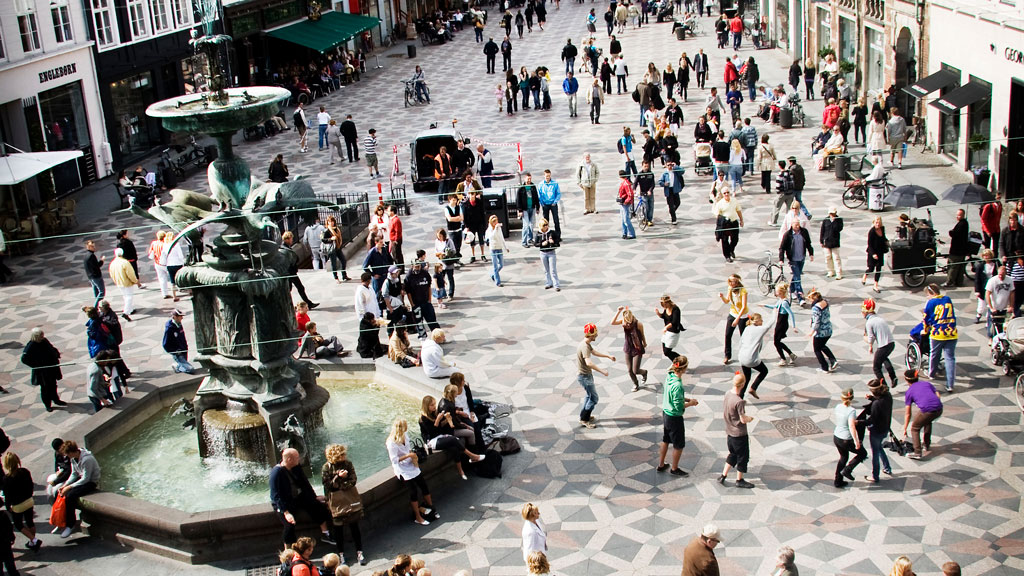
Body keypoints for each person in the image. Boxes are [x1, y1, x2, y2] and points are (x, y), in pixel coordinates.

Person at [270, 447, 333, 547]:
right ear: (289, 459)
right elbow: (275, 496)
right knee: (289, 525)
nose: (299, 459)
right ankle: (287, 551)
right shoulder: (276, 473)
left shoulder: (295, 467)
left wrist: (314, 497)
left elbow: (305, 483)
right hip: (284, 503)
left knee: (317, 506)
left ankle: (325, 533)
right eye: (297, 457)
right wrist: (286, 513)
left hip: (298, 497)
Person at [321, 444, 365, 566]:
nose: (344, 456)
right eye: (342, 454)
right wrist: (339, 477)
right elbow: (328, 486)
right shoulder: (326, 467)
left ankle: (360, 552)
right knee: (338, 530)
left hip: (349, 500)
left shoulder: (348, 464)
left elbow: (353, 480)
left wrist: (341, 484)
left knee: (354, 526)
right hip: (336, 503)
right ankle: (341, 554)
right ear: (335, 456)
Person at [386, 419, 436, 525]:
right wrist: (408, 455)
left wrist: (412, 456)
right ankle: (418, 517)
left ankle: (432, 508)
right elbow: (394, 460)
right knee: (413, 492)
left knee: (424, 486)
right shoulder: (391, 443)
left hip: (411, 464)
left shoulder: (405, 435)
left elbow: (408, 449)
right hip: (402, 468)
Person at [656, 355, 698, 476]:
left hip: (666, 413)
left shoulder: (669, 376)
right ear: (684, 369)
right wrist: (691, 403)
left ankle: (661, 464)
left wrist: (686, 399)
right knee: (678, 445)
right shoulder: (678, 385)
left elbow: (673, 396)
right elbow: (678, 406)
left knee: (666, 439)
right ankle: (674, 468)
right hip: (674, 417)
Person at [55, 440, 100, 538]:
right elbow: (74, 473)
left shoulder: (87, 459)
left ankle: (70, 525)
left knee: (70, 496)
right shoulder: (73, 458)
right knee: (58, 492)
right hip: (81, 479)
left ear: (71, 452)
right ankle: (60, 520)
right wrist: (65, 485)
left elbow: (86, 479)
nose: (66, 456)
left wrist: (69, 487)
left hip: (90, 482)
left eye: (67, 454)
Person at [717, 373, 755, 487]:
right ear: (742, 385)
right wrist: (749, 418)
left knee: (732, 454)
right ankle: (739, 480)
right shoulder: (739, 401)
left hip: (729, 432)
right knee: (743, 457)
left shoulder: (727, 394)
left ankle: (723, 475)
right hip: (739, 434)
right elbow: (743, 419)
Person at [577, 323, 615, 428]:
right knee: (594, 398)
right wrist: (602, 371)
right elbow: (589, 363)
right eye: (595, 334)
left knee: (589, 396)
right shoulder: (585, 346)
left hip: (585, 375)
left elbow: (594, 352)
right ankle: (584, 419)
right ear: (590, 335)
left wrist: (608, 356)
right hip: (584, 376)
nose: (596, 336)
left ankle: (584, 416)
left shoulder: (585, 343)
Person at [19, 328, 65, 412]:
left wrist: (56, 354)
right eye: (40, 336)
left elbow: (51, 348)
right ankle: (47, 405)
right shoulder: (31, 346)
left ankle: (56, 400)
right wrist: (36, 365)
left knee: (53, 385)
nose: (42, 337)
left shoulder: (44, 341)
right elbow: (24, 359)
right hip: (42, 371)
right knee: (45, 389)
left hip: (51, 368)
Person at [923, 284, 958, 392]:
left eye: (927, 295)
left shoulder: (931, 302)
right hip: (951, 332)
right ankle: (950, 384)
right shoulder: (947, 299)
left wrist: (925, 330)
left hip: (938, 333)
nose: (927, 297)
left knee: (934, 354)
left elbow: (926, 318)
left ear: (931, 293)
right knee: (950, 358)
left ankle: (932, 374)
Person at [901, 369, 943, 460]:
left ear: (906, 380)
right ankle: (926, 444)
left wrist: (905, 428)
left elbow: (908, 413)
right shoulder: (926, 384)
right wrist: (935, 403)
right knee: (927, 421)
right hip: (939, 408)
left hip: (927, 410)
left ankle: (917, 452)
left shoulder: (909, 392)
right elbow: (937, 394)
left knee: (915, 428)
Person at [3, 453, 41, 550]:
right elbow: (31, 486)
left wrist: (8, 506)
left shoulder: (7, 479)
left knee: (18, 524)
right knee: (30, 521)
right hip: (29, 501)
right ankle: (32, 542)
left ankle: (34, 540)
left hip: (18, 505)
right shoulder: (25, 471)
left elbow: (7, 496)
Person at [832, 388, 866, 488]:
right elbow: (852, 426)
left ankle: (838, 480)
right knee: (863, 454)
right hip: (846, 439)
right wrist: (856, 441)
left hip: (837, 436)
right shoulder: (851, 411)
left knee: (843, 457)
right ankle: (848, 469)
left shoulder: (838, 407)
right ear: (852, 397)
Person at [860, 299, 898, 388]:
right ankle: (893, 377)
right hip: (891, 343)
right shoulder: (879, 318)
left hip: (883, 346)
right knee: (884, 358)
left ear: (865, 312)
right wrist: (871, 346)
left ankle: (884, 386)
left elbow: (870, 338)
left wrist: (865, 339)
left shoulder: (869, 322)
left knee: (876, 367)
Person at [738, 312, 774, 399]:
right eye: (761, 320)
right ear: (757, 321)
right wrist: (775, 313)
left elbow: (740, 343)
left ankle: (739, 398)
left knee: (747, 377)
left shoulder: (747, 328)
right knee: (764, 371)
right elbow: (769, 325)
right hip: (750, 359)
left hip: (742, 357)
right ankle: (753, 388)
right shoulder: (758, 330)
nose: (762, 322)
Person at [863, 379, 893, 484]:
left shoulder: (876, 404)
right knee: (879, 447)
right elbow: (881, 401)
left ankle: (875, 476)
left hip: (876, 431)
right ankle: (887, 467)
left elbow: (872, 420)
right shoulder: (888, 396)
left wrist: (858, 422)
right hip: (885, 428)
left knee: (875, 453)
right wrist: (872, 398)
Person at [611, 307, 648, 391]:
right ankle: (635, 384)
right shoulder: (623, 322)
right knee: (629, 370)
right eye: (626, 321)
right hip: (628, 347)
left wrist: (644, 343)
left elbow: (642, 334)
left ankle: (644, 372)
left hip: (637, 348)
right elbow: (612, 322)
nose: (628, 323)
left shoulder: (638, 324)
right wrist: (618, 311)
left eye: (629, 321)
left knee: (635, 370)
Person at [779, 219, 813, 303]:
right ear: (792, 225)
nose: (797, 226)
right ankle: (800, 297)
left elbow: (808, 243)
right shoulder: (788, 234)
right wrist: (781, 259)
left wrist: (811, 253)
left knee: (796, 275)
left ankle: (791, 289)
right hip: (793, 259)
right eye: (796, 225)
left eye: (798, 224)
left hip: (801, 258)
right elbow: (782, 248)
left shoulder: (804, 232)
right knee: (797, 278)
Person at [719, 274, 748, 365]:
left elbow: (744, 307)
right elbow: (727, 301)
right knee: (728, 334)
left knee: (743, 337)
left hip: (742, 316)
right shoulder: (730, 288)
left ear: (737, 282)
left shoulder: (743, 291)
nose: (731, 283)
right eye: (730, 281)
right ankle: (727, 355)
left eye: (734, 281)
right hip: (733, 313)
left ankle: (745, 355)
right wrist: (722, 297)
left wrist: (737, 319)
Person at [808, 289, 838, 373]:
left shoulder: (816, 308)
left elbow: (817, 321)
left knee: (817, 349)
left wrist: (812, 332)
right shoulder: (825, 302)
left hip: (821, 332)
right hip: (828, 329)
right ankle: (833, 360)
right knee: (822, 346)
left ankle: (824, 367)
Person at [712, 189, 743, 263]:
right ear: (722, 194)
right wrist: (723, 220)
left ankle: (731, 250)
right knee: (725, 240)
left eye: (727, 192)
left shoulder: (734, 201)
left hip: (733, 222)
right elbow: (717, 215)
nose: (726, 194)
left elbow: (738, 210)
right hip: (725, 224)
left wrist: (741, 220)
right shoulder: (720, 203)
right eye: (724, 193)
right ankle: (727, 256)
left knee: (735, 239)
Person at [163, 309, 195, 374]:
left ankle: (179, 366)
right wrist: (175, 351)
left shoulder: (179, 324)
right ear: (175, 317)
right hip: (178, 353)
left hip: (184, 350)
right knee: (190, 369)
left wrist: (185, 347)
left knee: (185, 366)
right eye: (180, 316)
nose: (182, 318)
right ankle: (177, 366)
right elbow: (165, 344)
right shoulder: (169, 329)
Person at [985, 263, 1013, 337]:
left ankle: (999, 338)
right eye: (999, 274)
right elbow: (987, 294)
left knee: (1001, 325)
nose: (1000, 276)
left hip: (1003, 307)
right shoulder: (992, 280)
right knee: (992, 325)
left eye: (1002, 275)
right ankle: (991, 338)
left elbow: (1012, 293)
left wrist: (1011, 306)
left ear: (1005, 273)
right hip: (994, 307)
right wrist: (991, 307)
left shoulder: (1010, 280)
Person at [862, 216, 888, 293]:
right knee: (871, 269)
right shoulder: (872, 232)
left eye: (879, 223)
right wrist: (873, 254)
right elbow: (869, 244)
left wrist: (887, 241)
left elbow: (883, 237)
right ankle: (865, 275)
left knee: (878, 269)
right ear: (873, 223)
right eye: (876, 223)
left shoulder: (882, 229)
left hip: (880, 252)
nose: (877, 224)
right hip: (873, 252)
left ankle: (875, 285)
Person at [945, 209, 970, 287]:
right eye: (957, 215)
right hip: (961, 250)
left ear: (963, 215)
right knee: (960, 267)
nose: (957, 216)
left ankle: (949, 282)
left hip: (957, 250)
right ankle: (959, 282)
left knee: (953, 266)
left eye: (958, 215)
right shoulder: (964, 223)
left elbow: (955, 234)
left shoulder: (962, 224)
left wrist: (951, 232)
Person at [655, 295, 683, 360]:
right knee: (665, 352)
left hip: (673, 332)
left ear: (668, 302)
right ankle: (677, 362)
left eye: (664, 304)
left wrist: (666, 327)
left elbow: (674, 322)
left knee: (667, 352)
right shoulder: (666, 308)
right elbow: (665, 316)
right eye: (662, 304)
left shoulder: (675, 309)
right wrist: (659, 314)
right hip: (667, 332)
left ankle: (681, 360)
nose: (664, 306)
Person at [536, 218, 560, 291]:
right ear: (541, 226)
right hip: (543, 253)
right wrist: (541, 244)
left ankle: (556, 285)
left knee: (553, 270)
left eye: (546, 224)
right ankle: (549, 283)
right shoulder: (538, 234)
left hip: (551, 253)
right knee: (546, 270)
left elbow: (558, 243)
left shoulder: (552, 232)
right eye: (544, 225)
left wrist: (553, 242)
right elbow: (535, 244)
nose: (546, 226)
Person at [819, 207, 844, 279]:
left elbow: (839, 229)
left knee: (836, 258)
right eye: (830, 213)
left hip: (835, 242)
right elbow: (822, 230)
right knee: (828, 257)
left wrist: (834, 221)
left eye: (833, 213)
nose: (832, 215)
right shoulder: (825, 220)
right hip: (827, 242)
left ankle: (838, 273)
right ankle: (830, 271)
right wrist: (821, 240)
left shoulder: (839, 220)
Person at [484, 215, 507, 286]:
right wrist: (495, 229)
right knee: (495, 266)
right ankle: (498, 282)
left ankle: (493, 274)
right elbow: (491, 237)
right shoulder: (489, 230)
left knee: (501, 264)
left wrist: (506, 247)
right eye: (494, 221)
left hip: (499, 247)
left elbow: (501, 237)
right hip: (493, 249)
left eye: (496, 221)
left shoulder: (499, 228)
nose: (495, 223)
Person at [538, 170, 562, 238]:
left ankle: (558, 236)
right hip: (545, 204)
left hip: (553, 204)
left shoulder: (555, 183)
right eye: (546, 176)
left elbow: (558, 193)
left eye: (548, 176)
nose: (547, 177)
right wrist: (542, 203)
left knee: (556, 220)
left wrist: (555, 202)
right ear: (544, 176)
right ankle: (546, 236)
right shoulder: (541, 184)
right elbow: (539, 195)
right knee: (545, 222)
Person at [84, 240, 105, 307]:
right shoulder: (91, 255)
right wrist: (102, 260)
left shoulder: (86, 255)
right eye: (92, 246)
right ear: (88, 247)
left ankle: (97, 307)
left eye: (94, 246)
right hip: (96, 276)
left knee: (96, 292)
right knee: (102, 292)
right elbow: (97, 266)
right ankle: (95, 307)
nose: (94, 247)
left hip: (91, 277)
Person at [616, 170, 636, 240]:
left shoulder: (626, 184)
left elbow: (630, 194)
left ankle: (631, 234)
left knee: (626, 219)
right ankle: (624, 233)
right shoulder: (623, 183)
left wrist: (626, 201)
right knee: (623, 219)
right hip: (622, 203)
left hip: (625, 203)